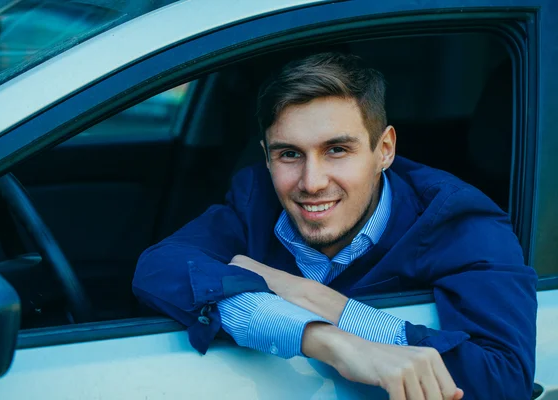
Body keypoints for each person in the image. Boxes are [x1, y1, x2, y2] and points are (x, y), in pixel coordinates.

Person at [133, 52, 537, 399]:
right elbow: (160, 267)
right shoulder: (255, 198)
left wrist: (324, 303)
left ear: (384, 150)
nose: (311, 183)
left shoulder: (457, 221)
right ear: (267, 157)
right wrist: (326, 339)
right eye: (290, 154)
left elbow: (503, 380)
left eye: (337, 150)